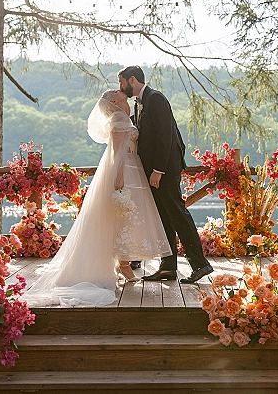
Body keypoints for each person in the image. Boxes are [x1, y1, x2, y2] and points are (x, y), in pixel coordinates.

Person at [23, 89, 171, 307]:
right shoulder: (119, 119)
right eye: (113, 91)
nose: (117, 89)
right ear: (112, 100)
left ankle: (124, 262)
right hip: (125, 170)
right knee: (122, 217)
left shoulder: (124, 114)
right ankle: (124, 264)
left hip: (134, 168)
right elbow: (116, 153)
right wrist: (119, 177)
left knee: (127, 217)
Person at [118, 66, 214, 284]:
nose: (120, 87)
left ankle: (200, 263)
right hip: (153, 170)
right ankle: (168, 267)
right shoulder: (139, 103)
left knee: (177, 213)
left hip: (164, 170)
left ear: (132, 80)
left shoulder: (156, 99)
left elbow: (166, 136)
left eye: (121, 82)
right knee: (164, 217)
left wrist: (159, 170)